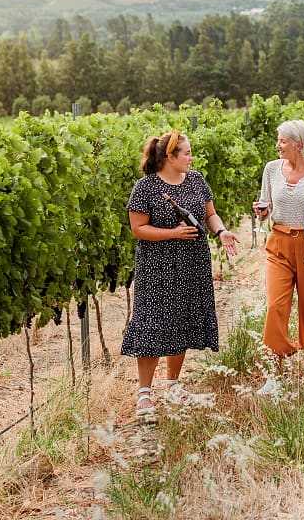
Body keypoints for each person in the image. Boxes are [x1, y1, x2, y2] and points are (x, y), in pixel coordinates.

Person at [122, 130, 239, 417]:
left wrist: (221, 231)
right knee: (151, 323)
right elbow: (138, 229)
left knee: (182, 321)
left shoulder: (197, 180)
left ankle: (173, 384)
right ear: (169, 157)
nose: (191, 157)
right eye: (186, 153)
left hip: (192, 263)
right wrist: (173, 233)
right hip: (157, 267)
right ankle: (144, 393)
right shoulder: (145, 187)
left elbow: (210, 214)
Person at [254, 119, 304, 363]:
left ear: (299, 144)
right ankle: (278, 358)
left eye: (282, 141)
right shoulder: (271, 169)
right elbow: (266, 204)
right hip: (279, 243)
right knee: (276, 305)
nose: (278, 145)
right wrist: (262, 212)